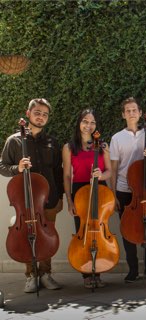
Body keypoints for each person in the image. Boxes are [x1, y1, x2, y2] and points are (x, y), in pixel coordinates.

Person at [0, 98, 63, 293]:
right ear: (28, 114)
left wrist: (60, 195)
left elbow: (58, 172)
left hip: (49, 198)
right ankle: (31, 276)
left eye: (45, 114)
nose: (41, 116)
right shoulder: (14, 140)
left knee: (46, 235)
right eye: (37, 112)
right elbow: (2, 166)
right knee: (27, 236)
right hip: (25, 201)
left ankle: (45, 274)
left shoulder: (52, 141)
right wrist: (17, 168)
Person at [110, 97, 146, 283]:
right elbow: (114, 168)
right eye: (128, 111)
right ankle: (133, 269)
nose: (131, 113)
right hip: (125, 190)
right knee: (128, 229)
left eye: (134, 110)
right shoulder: (116, 138)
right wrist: (113, 194)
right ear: (123, 115)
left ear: (140, 113)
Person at [62, 109, 111, 289]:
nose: (88, 126)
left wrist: (101, 175)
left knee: (99, 232)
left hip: (100, 190)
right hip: (79, 191)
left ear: (96, 125)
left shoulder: (103, 146)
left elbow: (109, 172)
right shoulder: (68, 147)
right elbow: (67, 176)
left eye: (92, 122)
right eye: (85, 121)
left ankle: (98, 271)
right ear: (79, 123)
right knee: (82, 234)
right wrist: (69, 199)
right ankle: (86, 274)